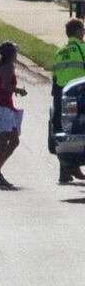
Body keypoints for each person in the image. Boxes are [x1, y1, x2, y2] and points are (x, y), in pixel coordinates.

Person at [0, 40, 26, 191]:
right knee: (3, 143)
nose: (17, 54)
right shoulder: (8, 66)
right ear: (11, 54)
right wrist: (19, 91)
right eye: (15, 51)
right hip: (1, 109)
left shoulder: (0, 66)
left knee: (13, 140)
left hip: (2, 108)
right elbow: (4, 86)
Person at [51, 18, 85, 182]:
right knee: (78, 130)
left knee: (64, 132)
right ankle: (70, 169)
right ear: (77, 31)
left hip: (61, 94)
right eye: (82, 29)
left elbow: (55, 76)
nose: (84, 32)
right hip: (80, 95)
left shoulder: (60, 51)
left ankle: (65, 171)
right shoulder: (82, 48)